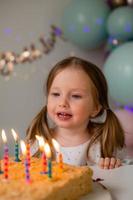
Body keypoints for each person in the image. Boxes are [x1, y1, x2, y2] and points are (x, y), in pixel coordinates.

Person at [26, 56, 126, 169]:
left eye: (75, 96)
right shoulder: (38, 145)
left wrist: (113, 164)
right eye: (56, 94)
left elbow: (120, 176)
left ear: (95, 108)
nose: (62, 103)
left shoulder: (104, 144)